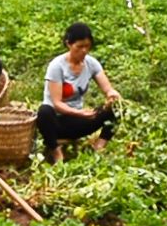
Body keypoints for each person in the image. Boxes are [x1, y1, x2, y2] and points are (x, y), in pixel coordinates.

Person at [37, 22, 120, 164]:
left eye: (87, 46)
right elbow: (56, 103)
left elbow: (107, 88)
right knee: (44, 111)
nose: (84, 51)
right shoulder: (56, 66)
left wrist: (112, 94)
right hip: (56, 122)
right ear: (69, 44)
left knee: (117, 108)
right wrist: (80, 113)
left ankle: (99, 146)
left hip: (77, 122)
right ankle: (56, 152)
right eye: (79, 46)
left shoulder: (91, 63)